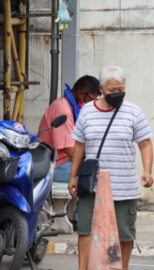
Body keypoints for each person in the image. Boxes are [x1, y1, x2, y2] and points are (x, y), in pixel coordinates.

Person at [68, 66, 153, 270]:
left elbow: (145, 143)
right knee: (86, 230)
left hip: (124, 186)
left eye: (121, 89)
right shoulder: (87, 111)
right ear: (101, 88)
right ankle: (83, 268)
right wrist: (73, 176)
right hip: (92, 186)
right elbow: (79, 145)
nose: (117, 94)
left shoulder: (133, 112)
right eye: (112, 90)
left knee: (124, 233)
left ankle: (122, 268)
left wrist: (147, 171)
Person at [38, 76, 100, 183]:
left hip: (68, 162)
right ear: (81, 93)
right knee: (97, 180)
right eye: (91, 100)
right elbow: (70, 151)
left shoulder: (72, 107)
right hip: (58, 165)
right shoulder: (62, 110)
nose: (92, 104)